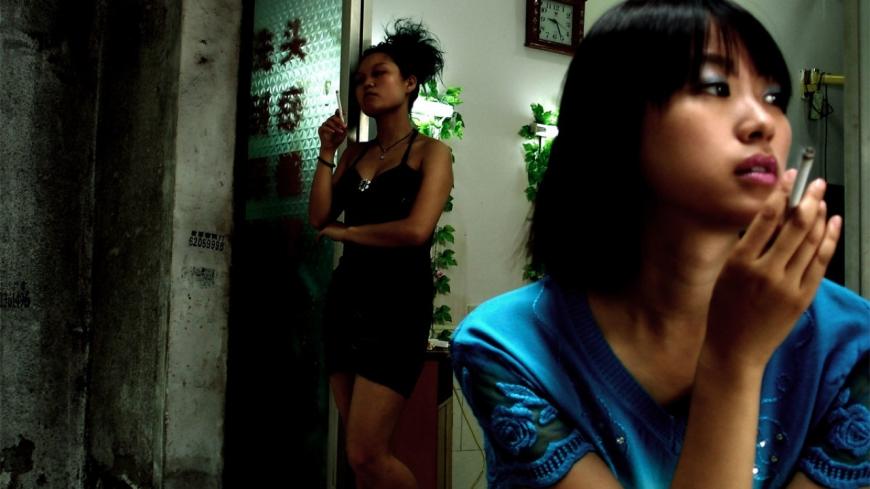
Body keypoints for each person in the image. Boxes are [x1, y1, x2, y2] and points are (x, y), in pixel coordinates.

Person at [450, 1, 869, 488]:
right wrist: (733, 360)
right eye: (716, 87)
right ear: (613, 116)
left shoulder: (854, 345)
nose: (764, 123)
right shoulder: (509, 346)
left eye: (773, 96)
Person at [308, 18, 453, 489]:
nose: (366, 84)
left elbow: (416, 231)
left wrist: (347, 233)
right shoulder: (354, 153)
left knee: (367, 453)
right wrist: (327, 152)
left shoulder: (432, 152)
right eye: (360, 79)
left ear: (409, 83)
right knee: (359, 460)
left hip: (398, 307)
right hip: (347, 300)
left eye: (379, 73)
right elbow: (319, 216)